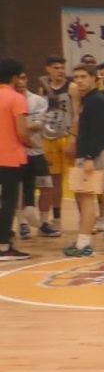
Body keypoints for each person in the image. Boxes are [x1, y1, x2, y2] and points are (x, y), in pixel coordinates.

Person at [63, 64, 104, 256]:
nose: (79, 80)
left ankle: (83, 244)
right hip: (98, 152)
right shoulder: (91, 99)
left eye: (83, 76)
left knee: (88, 198)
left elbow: (96, 132)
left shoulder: (95, 100)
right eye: (76, 77)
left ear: (93, 78)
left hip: (94, 154)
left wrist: (88, 157)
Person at [36, 55, 72, 236]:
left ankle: (58, 218)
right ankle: (46, 220)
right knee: (50, 181)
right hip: (48, 138)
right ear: (47, 69)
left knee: (67, 182)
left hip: (65, 136)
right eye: (56, 67)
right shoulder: (42, 87)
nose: (60, 71)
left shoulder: (71, 86)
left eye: (62, 67)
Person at [0, 59, 32, 261]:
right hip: (10, 158)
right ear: (14, 77)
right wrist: (30, 142)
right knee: (9, 202)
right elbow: (21, 131)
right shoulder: (16, 98)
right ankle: (4, 247)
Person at [16, 71, 52, 240]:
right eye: (17, 78)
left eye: (23, 77)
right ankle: (22, 224)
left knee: (46, 185)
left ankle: (44, 223)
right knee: (20, 189)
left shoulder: (37, 100)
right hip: (17, 152)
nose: (20, 81)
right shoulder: (7, 99)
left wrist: (18, 127)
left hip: (36, 150)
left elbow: (38, 124)